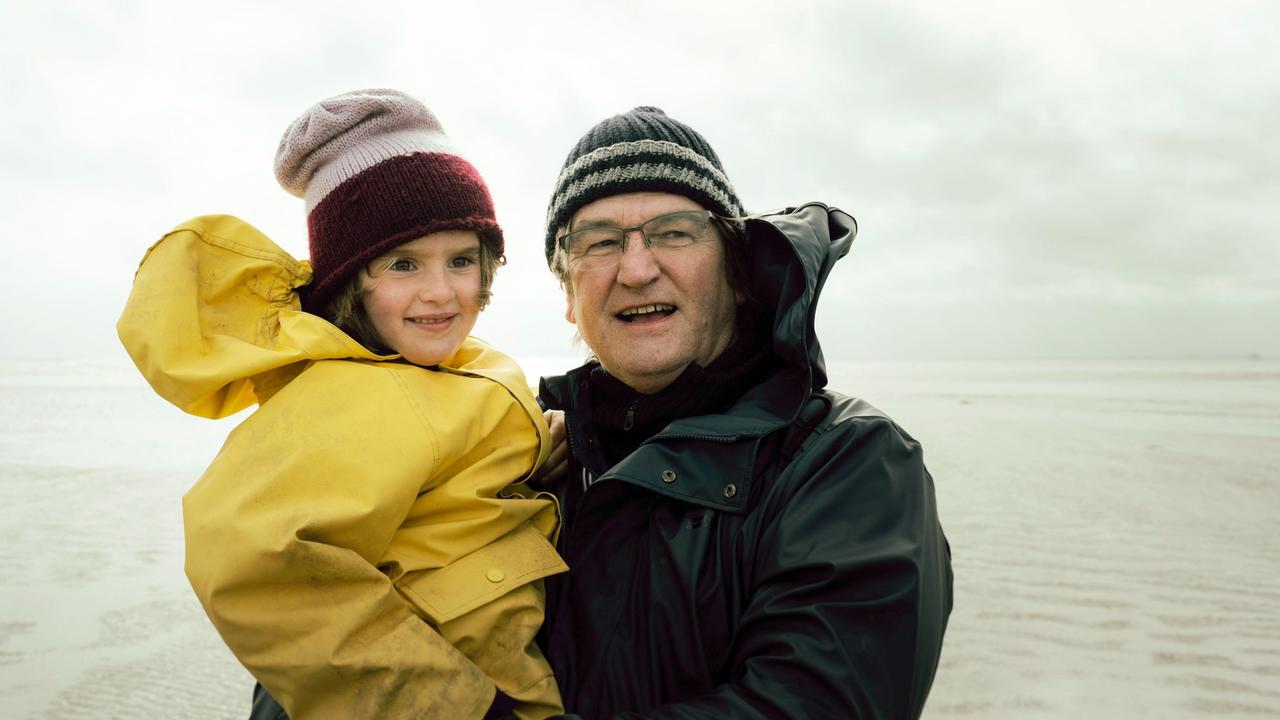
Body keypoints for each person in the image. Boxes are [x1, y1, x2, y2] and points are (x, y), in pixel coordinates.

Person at [118, 89, 567, 719]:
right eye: (403, 264)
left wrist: (539, 448)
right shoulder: (353, 391)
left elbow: (442, 463)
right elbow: (251, 554)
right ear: (350, 277)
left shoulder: (456, 366)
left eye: (463, 260)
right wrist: (457, 709)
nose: (441, 293)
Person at [535, 106, 954, 718]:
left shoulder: (849, 462)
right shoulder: (519, 463)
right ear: (568, 295)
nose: (636, 269)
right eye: (599, 243)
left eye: (674, 232)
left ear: (736, 270)